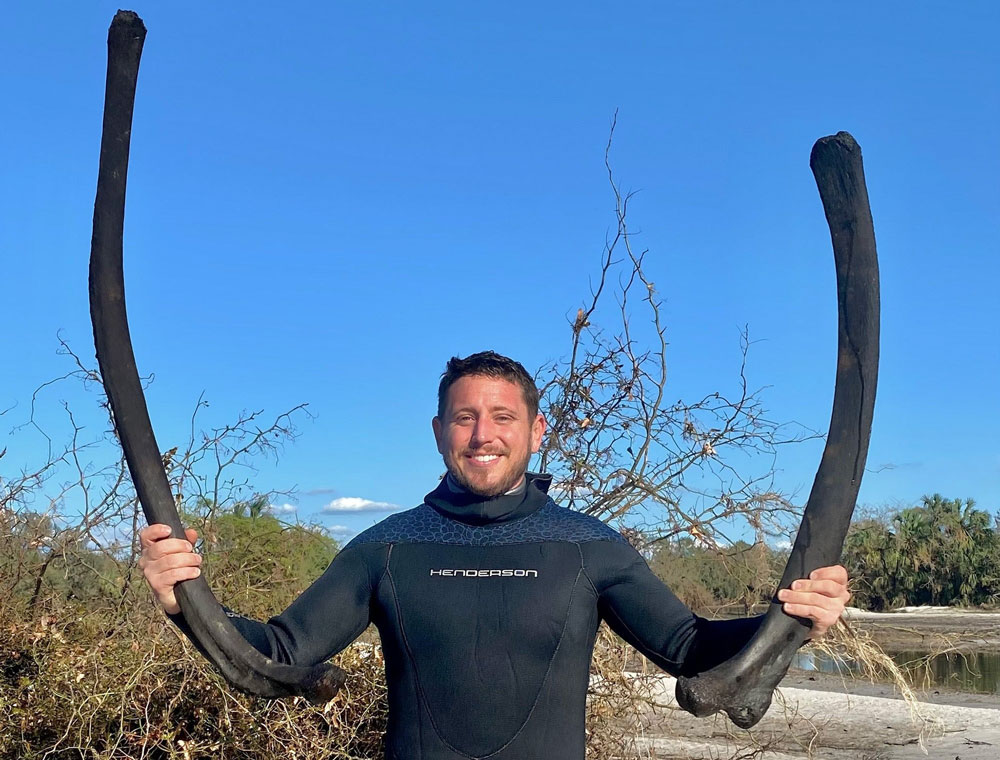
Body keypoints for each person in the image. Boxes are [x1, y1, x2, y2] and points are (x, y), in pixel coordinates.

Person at [140, 351, 851, 760]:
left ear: (536, 431)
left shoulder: (589, 547)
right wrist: (183, 600)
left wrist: (793, 621)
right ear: (439, 432)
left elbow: (691, 648)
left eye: (503, 416)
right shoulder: (386, 549)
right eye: (465, 417)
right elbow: (277, 652)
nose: (483, 434)